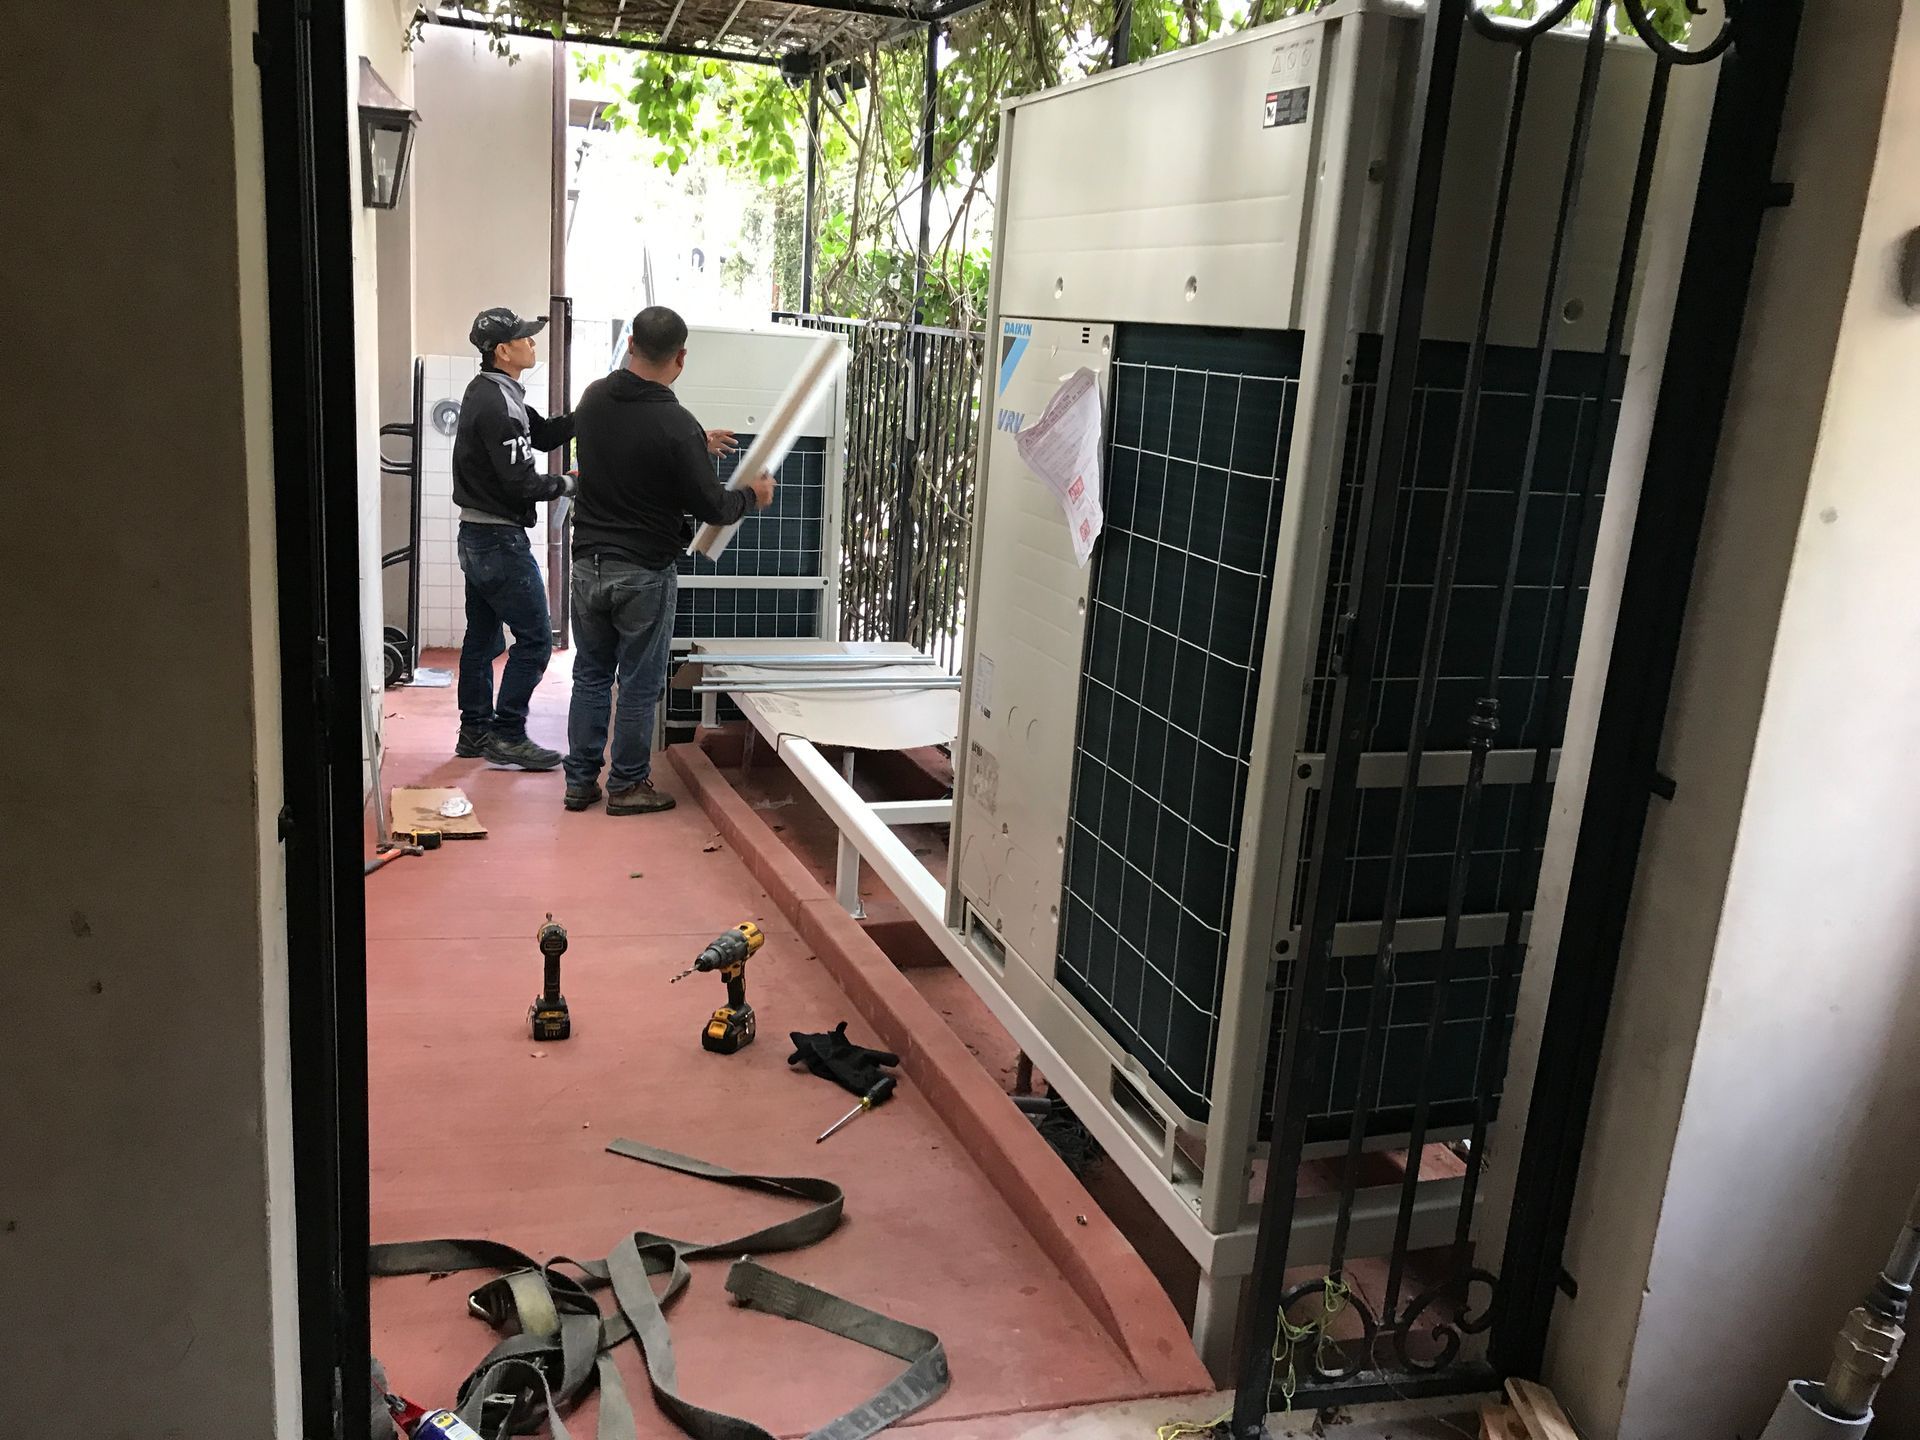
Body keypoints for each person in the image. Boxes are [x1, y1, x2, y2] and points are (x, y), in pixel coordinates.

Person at [563, 306, 775, 815]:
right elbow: (714, 506)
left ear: (630, 344)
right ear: (681, 358)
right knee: (638, 682)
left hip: (588, 564)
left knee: (590, 676)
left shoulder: (593, 398)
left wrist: (695, 445)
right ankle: (627, 786)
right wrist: (754, 495)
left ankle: (579, 783)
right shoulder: (676, 424)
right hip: (643, 571)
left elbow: (624, 446)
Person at [450, 306, 576, 771]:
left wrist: (593, 413)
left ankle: (474, 731)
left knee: (482, 639)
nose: (532, 343)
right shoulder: (498, 403)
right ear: (503, 350)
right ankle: (507, 735)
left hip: (477, 535)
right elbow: (522, 482)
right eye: (525, 338)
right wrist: (568, 484)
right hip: (498, 542)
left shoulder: (494, 390)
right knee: (537, 640)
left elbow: (542, 435)